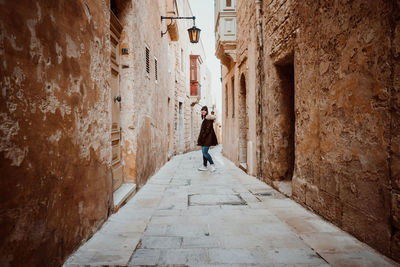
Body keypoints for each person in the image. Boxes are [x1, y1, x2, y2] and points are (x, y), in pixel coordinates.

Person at [197, 106, 218, 172]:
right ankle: (204, 166)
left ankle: (212, 164)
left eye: (204, 110)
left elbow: (207, 130)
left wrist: (203, 137)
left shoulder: (208, 119)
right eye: (202, 110)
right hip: (204, 139)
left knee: (205, 152)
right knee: (204, 153)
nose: (203, 111)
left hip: (207, 139)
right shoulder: (204, 118)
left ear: (207, 111)